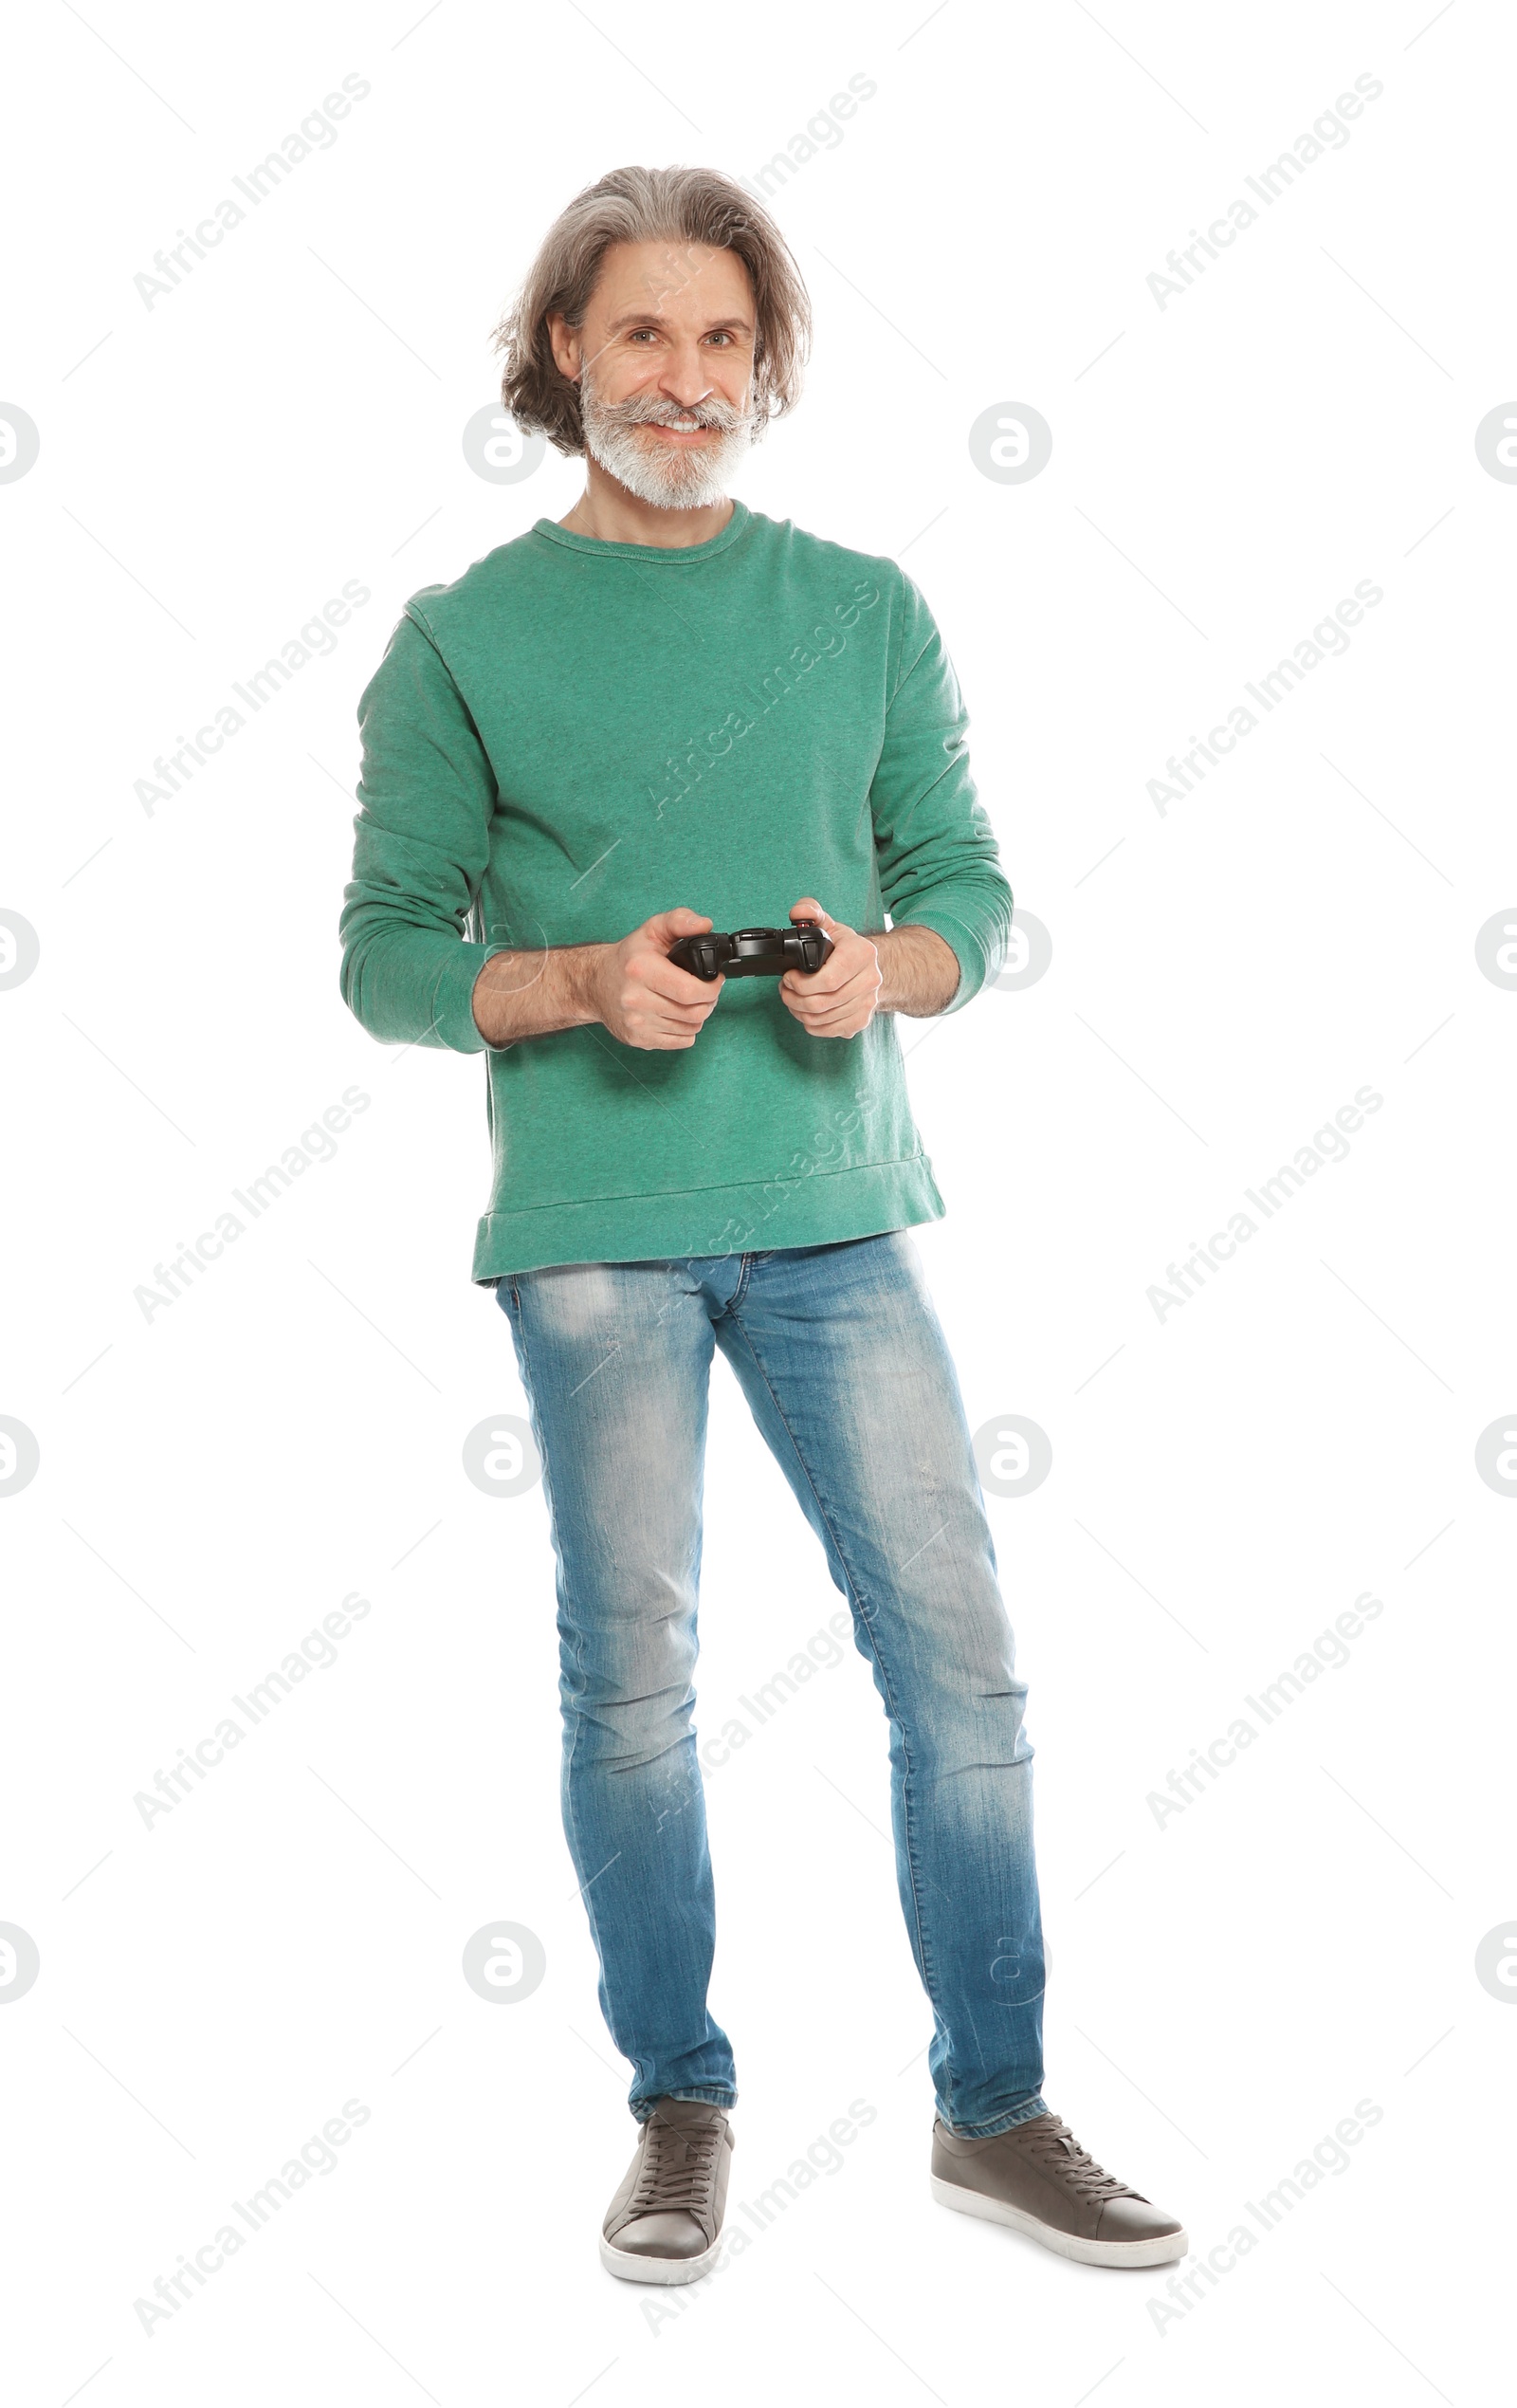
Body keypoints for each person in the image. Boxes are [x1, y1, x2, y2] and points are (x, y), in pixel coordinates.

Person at [339, 163, 1186, 2285]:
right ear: (562, 352)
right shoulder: (461, 639)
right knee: (633, 1684)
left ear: (762, 364)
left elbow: (966, 897)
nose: (686, 378)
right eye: (641, 332)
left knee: (964, 1672)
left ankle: (992, 2112)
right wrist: (568, 984)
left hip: (835, 1213)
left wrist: (875, 970)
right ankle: (677, 2102)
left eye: (723, 339)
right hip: (596, 1234)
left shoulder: (863, 606)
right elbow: (380, 958)